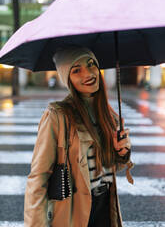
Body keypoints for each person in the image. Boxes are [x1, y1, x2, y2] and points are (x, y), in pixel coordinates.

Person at [24, 46, 134, 227]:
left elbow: (112, 167)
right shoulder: (57, 115)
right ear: (68, 79)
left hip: (106, 206)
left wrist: (122, 152)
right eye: (76, 70)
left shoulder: (110, 116)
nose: (89, 73)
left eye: (91, 64)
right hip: (73, 210)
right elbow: (38, 177)